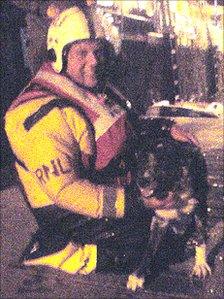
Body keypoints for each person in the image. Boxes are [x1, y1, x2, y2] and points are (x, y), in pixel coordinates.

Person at [4, 5, 199, 276]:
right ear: (60, 55)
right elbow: (67, 191)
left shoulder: (91, 87)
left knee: (177, 219)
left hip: (110, 187)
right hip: (68, 210)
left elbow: (127, 127)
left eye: (98, 51)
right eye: (82, 52)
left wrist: (165, 128)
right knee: (160, 245)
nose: (94, 61)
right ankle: (57, 250)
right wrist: (137, 203)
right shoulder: (43, 113)